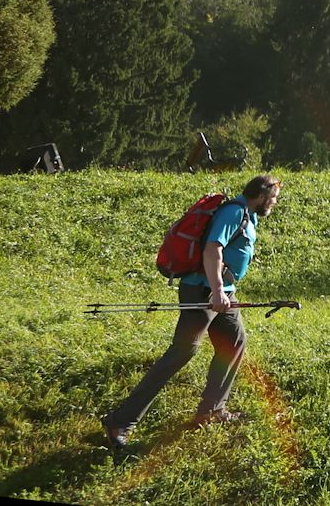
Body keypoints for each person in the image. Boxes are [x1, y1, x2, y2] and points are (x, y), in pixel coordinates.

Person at [102, 173, 283, 447]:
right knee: (182, 351)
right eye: (273, 198)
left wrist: (224, 291)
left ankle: (211, 411)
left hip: (222, 293)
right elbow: (213, 250)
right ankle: (120, 421)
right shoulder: (234, 213)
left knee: (234, 342)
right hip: (203, 291)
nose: (274, 203)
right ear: (260, 195)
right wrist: (218, 289)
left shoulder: (247, 215)